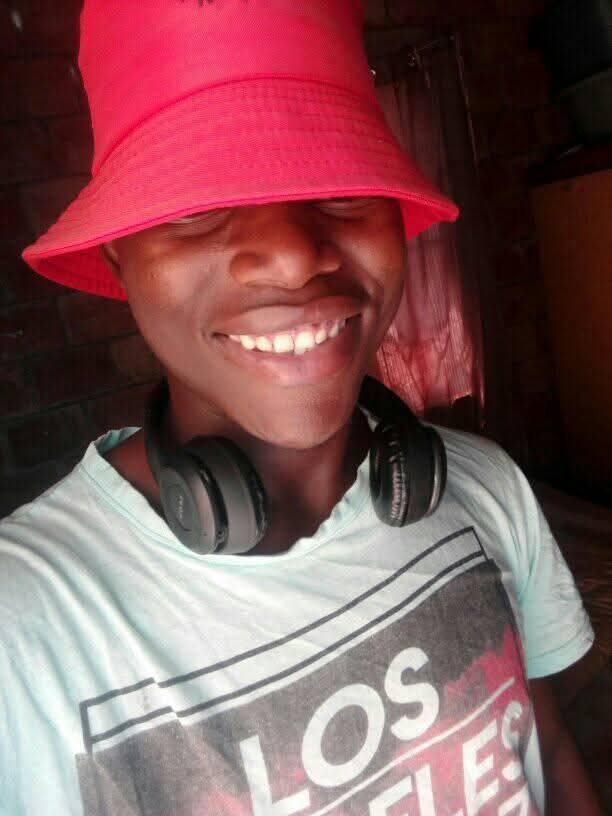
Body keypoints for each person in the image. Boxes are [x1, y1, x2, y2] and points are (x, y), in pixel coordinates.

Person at [1, 1, 602, 814]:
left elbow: (548, 750)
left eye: (341, 185)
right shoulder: (22, 625)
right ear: (118, 255)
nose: (290, 257)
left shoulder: (488, 486)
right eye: (196, 203)